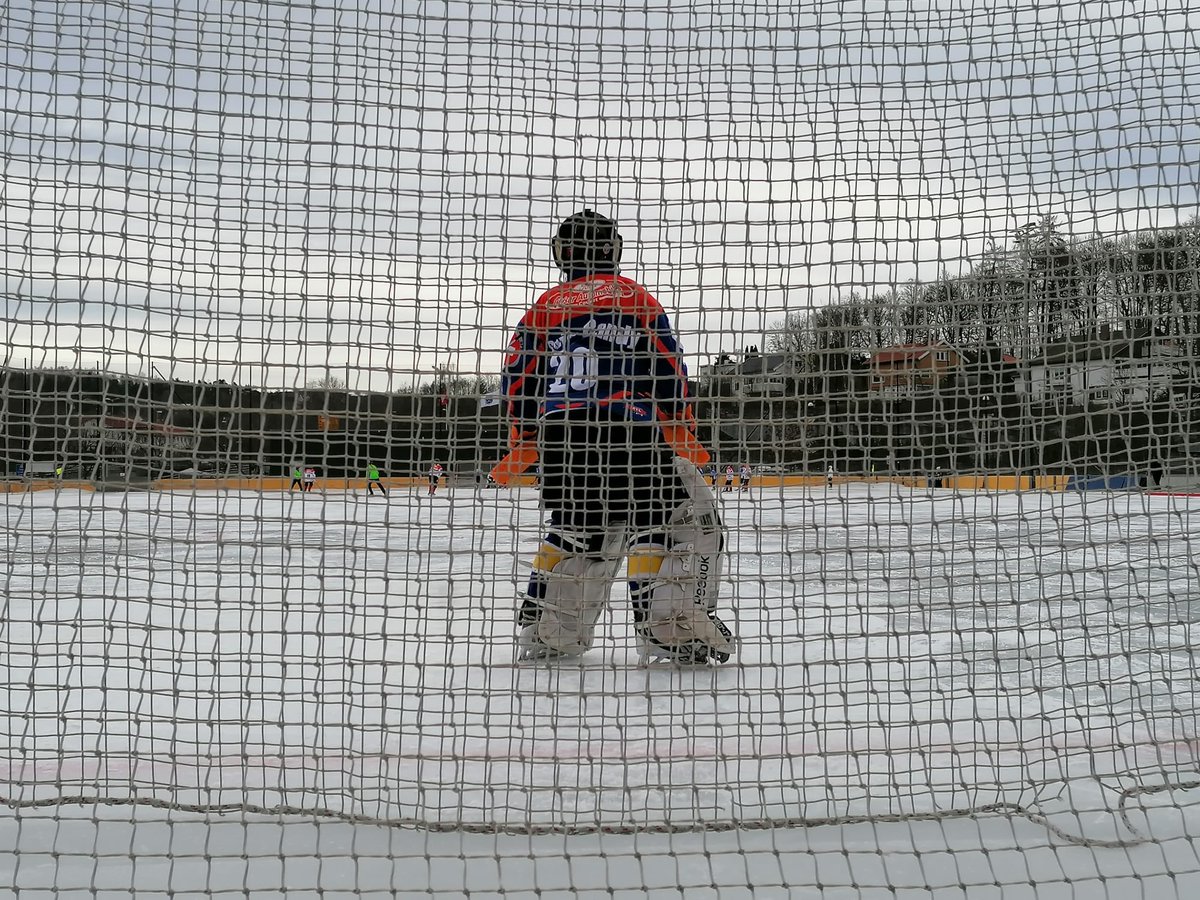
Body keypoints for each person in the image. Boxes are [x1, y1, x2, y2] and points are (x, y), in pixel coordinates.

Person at [498, 209, 733, 665]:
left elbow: (516, 378)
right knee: (673, 521)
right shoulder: (636, 299)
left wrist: (527, 434)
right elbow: (670, 368)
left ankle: (550, 629)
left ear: (563, 254)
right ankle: (670, 625)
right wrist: (678, 422)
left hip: (563, 438)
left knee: (576, 527)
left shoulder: (544, 307)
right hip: (632, 429)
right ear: (614, 249)